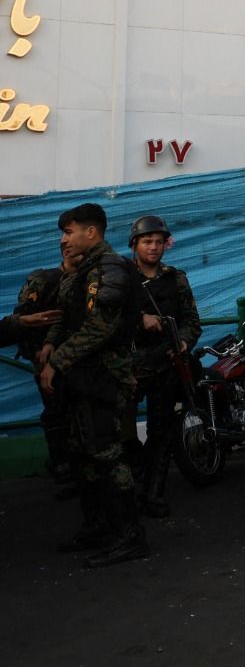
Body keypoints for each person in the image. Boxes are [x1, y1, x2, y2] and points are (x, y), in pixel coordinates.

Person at [37, 203, 149, 567]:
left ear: (92, 232)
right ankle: (98, 526)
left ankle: (130, 535)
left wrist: (57, 360)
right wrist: (52, 341)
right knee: (84, 454)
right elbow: (65, 315)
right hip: (82, 379)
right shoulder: (80, 272)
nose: (64, 241)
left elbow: (100, 326)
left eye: (69, 232)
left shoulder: (110, 268)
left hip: (105, 378)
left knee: (108, 455)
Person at [125, 215, 201, 518]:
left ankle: (153, 494)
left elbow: (191, 321)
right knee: (121, 434)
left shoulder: (176, 278)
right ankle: (133, 487)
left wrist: (183, 342)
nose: (154, 247)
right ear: (135, 245)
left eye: (159, 242)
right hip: (128, 367)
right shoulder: (121, 276)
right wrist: (138, 319)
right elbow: (107, 319)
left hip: (166, 364)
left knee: (162, 432)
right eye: (147, 241)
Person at [11, 242, 82, 490]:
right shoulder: (44, 280)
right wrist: (40, 355)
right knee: (56, 412)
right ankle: (62, 467)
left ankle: (78, 468)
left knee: (79, 413)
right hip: (47, 358)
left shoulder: (89, 281)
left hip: (79, 359)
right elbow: (22, 319)